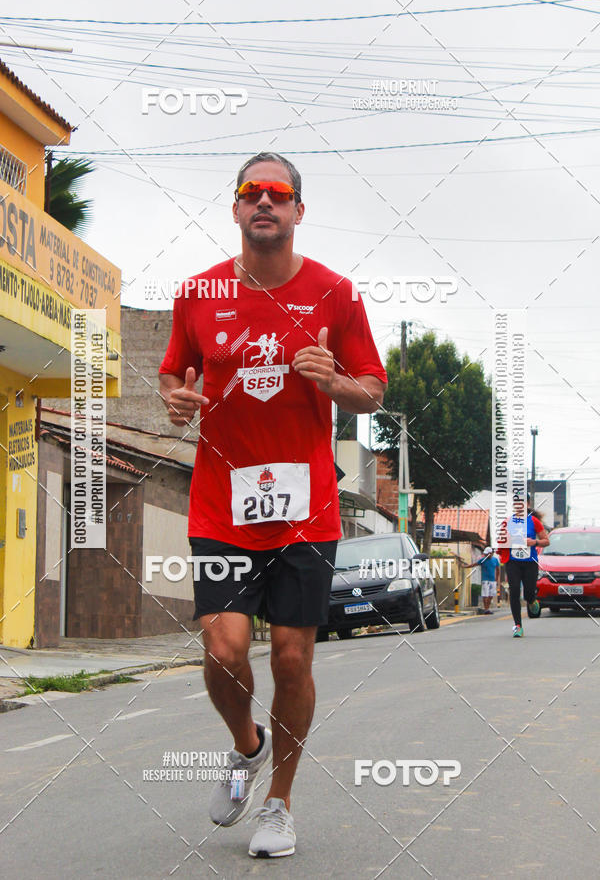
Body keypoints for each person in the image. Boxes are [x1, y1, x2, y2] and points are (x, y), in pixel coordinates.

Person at [158, 152, 387, 859]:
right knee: (224, 651)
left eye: (278, 194)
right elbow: (173, 373)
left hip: (306, 511)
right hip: (223, 506)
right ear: (234, 209)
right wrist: (173, 400)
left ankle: (280, 805)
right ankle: (246, 746)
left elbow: (374, 389)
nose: (265, 203)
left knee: (291, 658)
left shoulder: (335, 295)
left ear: (297, 210)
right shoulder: (197, 293)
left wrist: (333, 382)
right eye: (251, 193)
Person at [498, 493, 549, 637]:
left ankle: (532, 601)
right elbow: (501, 541)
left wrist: (534, 542)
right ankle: (518, 626)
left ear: (527, 504)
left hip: (530, 563)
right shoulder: (507, 521)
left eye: (522, 503)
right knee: (514, 591)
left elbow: (546, 541)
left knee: (528, 593)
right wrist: (506, 540)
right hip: (513, 562)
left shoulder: (534, 521)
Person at [465, 546, 500, 613]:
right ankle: (486, 609)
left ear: (491, 553)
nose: (486, 555)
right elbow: (474, 564)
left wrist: (496, 579)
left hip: (492, 580)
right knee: (485, 595)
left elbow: (498, 570)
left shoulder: (495, 560)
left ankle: (487, 608)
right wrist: (466, 566)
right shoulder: (483, 560)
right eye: (486, 554)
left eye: (488, 554)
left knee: (491, 595)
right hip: (485, 580)